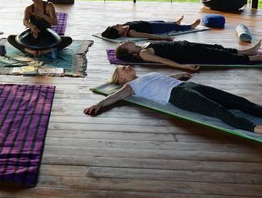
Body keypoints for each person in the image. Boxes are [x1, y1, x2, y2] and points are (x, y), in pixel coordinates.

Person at [83, 65, 262, 135]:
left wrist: (180, 75)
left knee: (235, 100)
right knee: (217, 109)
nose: (126, 66)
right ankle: (254, 128)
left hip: (189, 86)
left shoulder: (146, 76)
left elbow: (163, 77)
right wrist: (98, 104)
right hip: (178, 96)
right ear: (121, 79)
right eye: (123, 69)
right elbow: (114, 96)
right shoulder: (131, 87)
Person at [115, 39, 262, 71]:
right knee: (219, 55)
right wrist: (183, 66)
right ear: (128, 51)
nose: (126, 41)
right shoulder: (144, 53)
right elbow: (163, 60)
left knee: (218, 48)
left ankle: (248, 51)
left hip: (187, 45)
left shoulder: (144, 45)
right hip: (187, 53)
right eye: (125, 44)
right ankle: (255, 58)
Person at [7, 0, 72, 57]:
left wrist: (42, 15)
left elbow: (55, 22)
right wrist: (32, 26)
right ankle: (31, 51)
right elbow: (25, 21)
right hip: (33, 34)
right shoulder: (29, 8)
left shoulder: (48, 6)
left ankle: (44, 51)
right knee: (11, 38)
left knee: (68, 40)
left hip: (47, 35)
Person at [101, 16, 201, 40]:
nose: (118, 24)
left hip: (149, 23)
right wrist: (160, 38)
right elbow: (145, 35)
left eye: (116, 24)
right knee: (172, 27)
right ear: (119, 33)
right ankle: (190, 26)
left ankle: (175, 22)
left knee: (163, 22)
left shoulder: (124, 26)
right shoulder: (131, 32)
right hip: (153, 29)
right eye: (117, 27)